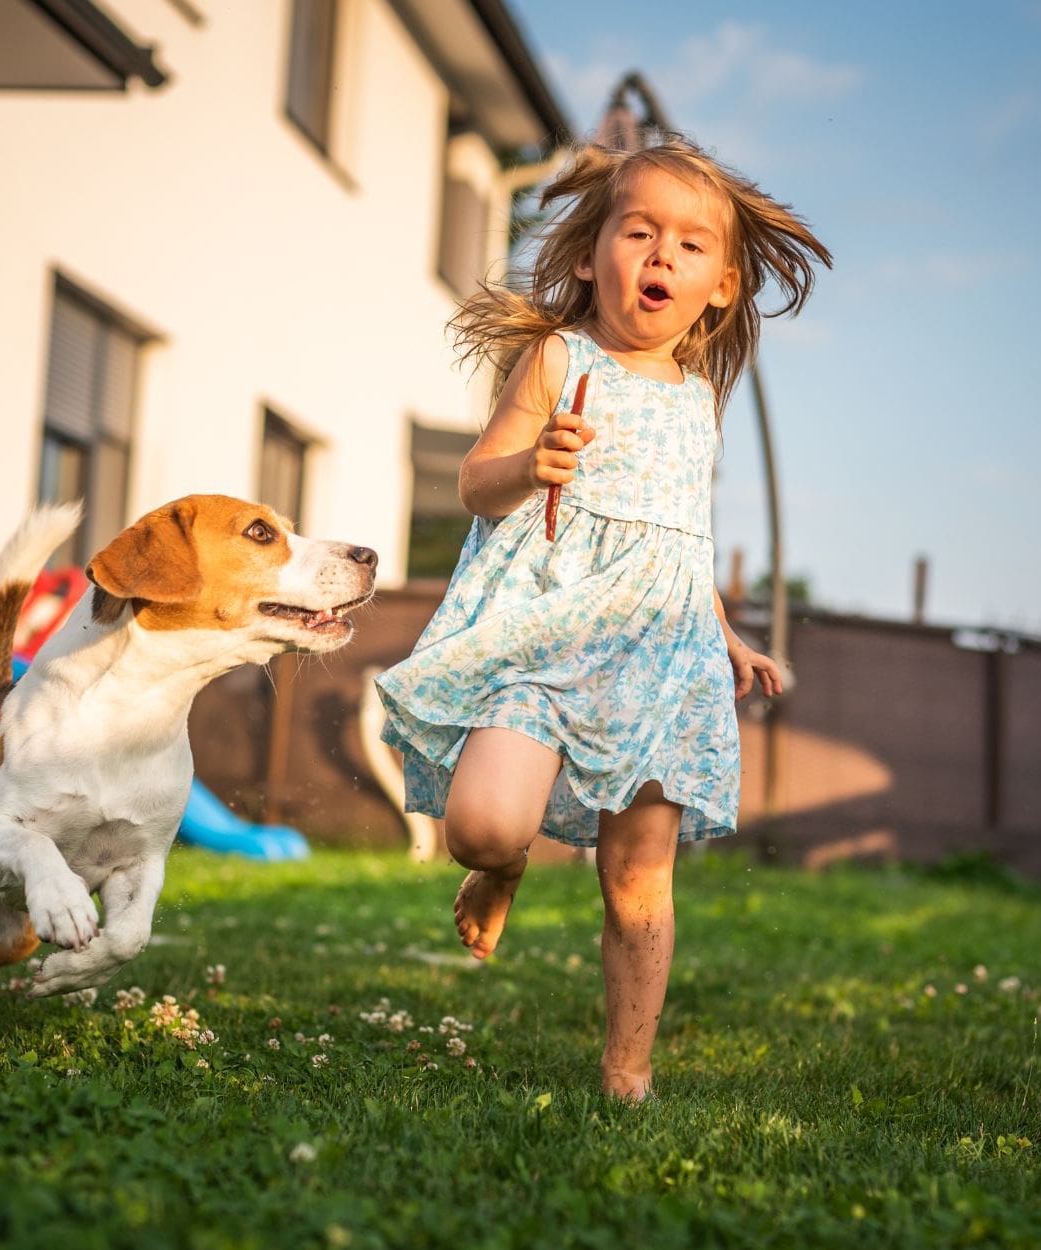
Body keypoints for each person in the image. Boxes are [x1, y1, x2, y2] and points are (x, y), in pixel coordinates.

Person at [375, 135, 830, 1101]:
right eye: (640, 231)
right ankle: (499, 874)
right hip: (546, 634)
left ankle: (628, 1070)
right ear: (592, 254)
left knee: (638, 879)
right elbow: (474, 483)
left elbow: (679, 543)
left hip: (661, 656)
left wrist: (727, 634)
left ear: (722, 285)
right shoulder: (558, 358)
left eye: (690, 245)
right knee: (485, 824)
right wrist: (531, 460)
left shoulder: (701, 399)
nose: (662, 255)